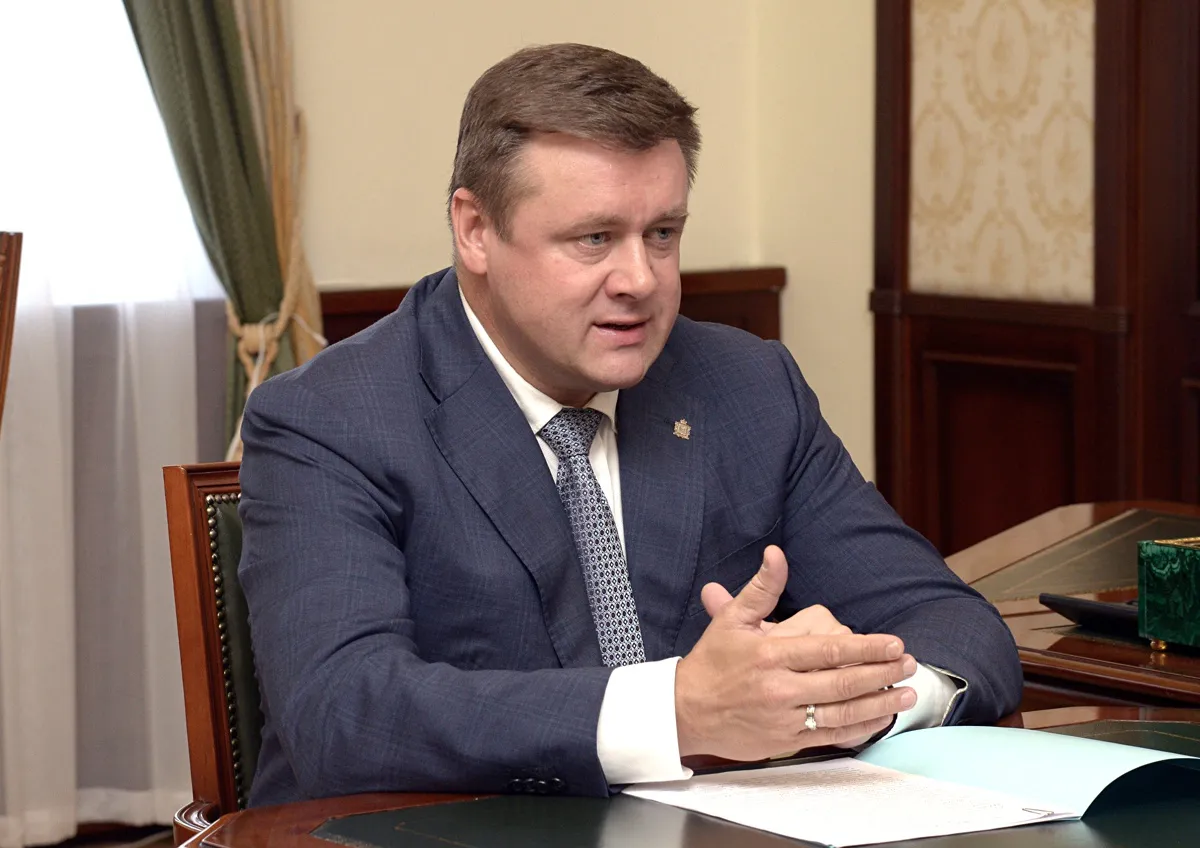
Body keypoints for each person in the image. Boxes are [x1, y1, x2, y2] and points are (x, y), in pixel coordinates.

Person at [238, 42, 1022, 808]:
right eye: (594, 239)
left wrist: (858, 700)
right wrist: (675, 714)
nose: (641, 280)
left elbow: (955, 627)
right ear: (475, 229)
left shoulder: (748, 387)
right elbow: (342, 711)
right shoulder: (332, 417)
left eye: (662, 234)